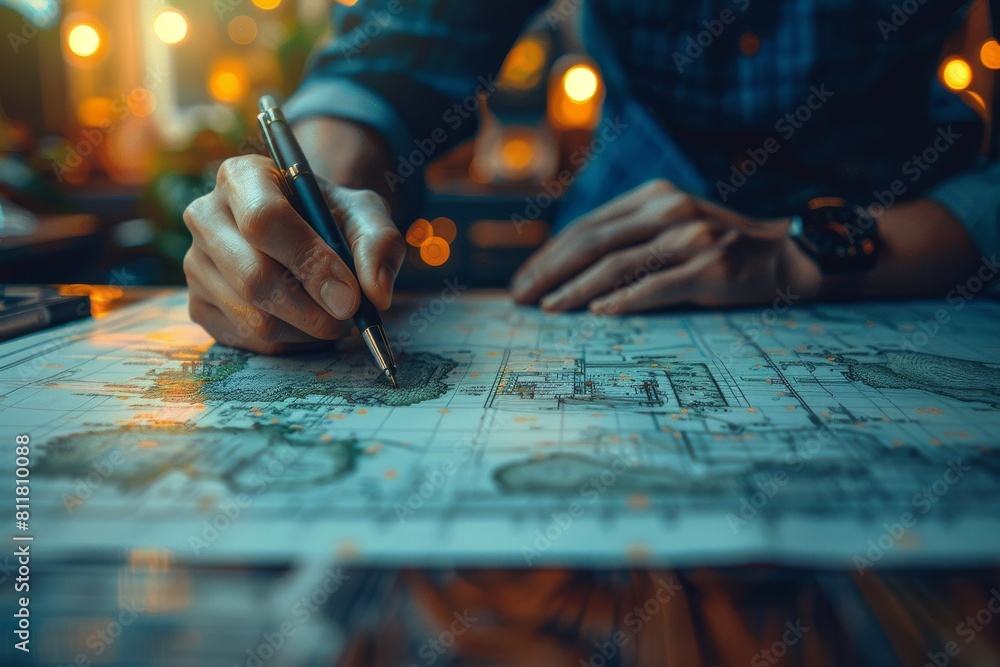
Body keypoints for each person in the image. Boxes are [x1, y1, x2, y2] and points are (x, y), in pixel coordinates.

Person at [183, 0, 999, 354]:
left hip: (913, 256)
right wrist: (310, 205)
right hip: (616, 257)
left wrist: (808, 254)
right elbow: (391, 64)